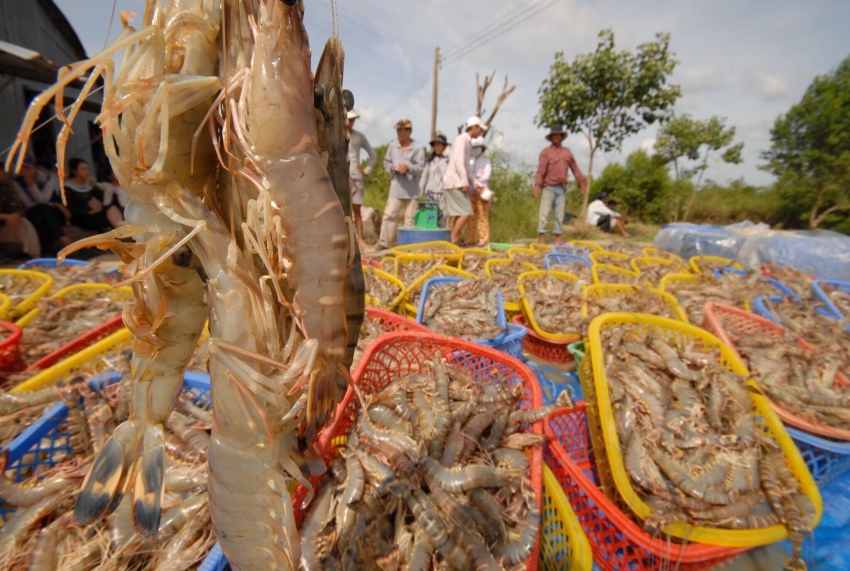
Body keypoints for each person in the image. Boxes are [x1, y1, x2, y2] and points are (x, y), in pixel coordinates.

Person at [375, 118, 425, 251]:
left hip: (412, 189)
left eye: (401, 130)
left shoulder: (418, 148)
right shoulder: (393, 146)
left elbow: (420, 167)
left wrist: (408, 167)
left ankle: (407, 245)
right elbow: (386, 162)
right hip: (396, 187)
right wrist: (391, 168)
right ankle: (384, 242)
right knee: (389, 214)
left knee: (410, 218)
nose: (399, 133)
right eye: (397, 130)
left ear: (409, 131)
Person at [532, 125, 587, 245]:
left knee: (559, 214)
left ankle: (558, 237)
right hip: (548, 187)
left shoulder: (567, 153)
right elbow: (541, 170)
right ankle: (541, 237)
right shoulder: (546, 153)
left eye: (558, 135)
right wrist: (537, 185)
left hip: (561, 188)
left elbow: (575, 168)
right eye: (554, 135)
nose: (556, 137)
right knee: (544, 213)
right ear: (551, 137)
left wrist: (581, 182)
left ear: (561, 137)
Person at [11, 155, 71, 256]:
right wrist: (30, 184)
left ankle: (50, 249)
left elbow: (44, 199)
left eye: (27, 167)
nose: (24, 171)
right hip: (34, 212)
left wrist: (31, 184)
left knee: (42, 212)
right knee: (39, 216)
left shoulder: (49, 178)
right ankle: (61, 238)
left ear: (35, 167)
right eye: (21, 168)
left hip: (54, 213)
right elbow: (29, 203)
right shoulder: (17, 182)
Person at [443, 116, 486, 246]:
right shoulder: (462, 139)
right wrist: (465, 182)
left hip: (456, 181)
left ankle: (455, 238)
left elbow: (466, 168)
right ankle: (453, 238)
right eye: (480, 129)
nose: (480, 132)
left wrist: (476, 183)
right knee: (466, 211)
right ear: (474, 127)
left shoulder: (467, 142)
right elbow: (458, 162)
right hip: (455, 181)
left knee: (460, 212)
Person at [63, 159, 126, 231]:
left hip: (95, 211)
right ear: (74, 171)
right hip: (81, 216)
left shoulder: (89, 183)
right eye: (83, 169)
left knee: (111, 208)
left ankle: (123, 230)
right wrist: (89, 212)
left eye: (87, 169)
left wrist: (95, 187)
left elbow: (102, 198)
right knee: (101, 220)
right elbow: (68, 207)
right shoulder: (68, 187)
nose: (87, 171)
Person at [347, 110, 377, 247]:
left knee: (357, 211)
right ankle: (347, 241)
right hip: (341, 176)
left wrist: (366, 170)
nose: (350, 122)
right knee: (340, 210)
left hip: (356, 177)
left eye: (353, 120)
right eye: (349, 119)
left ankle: (360, 240)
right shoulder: (335, 133)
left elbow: (373, 155)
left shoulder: (359, 136)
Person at [0, 170, 40, 259]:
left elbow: (17, 206)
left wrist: (15, 215)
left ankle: (35, 260)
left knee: (24, 223)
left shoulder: (4, 186)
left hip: (3, 226)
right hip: (3, 219)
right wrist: (4, 216)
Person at [464, 136, 492, 247]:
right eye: (473, 147)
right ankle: (470, 238)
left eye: (477, 147)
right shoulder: (469, 161)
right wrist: (474, 180)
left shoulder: (486, 161)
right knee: (470, 216)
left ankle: (483, 239)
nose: (475, 149)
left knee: (482, 216)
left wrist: (475, 181)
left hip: (482, 192)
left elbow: (486, 176)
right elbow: (467, 174)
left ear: (482, 148)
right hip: (471, 192)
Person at [418, 132, 450, 228]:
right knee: (430, 217)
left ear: (444, 146)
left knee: (442, 217)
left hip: (443, 194)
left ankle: (440, 236)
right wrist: (420, 193)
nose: (437, 147)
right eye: (435, 145)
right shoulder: (430, 161)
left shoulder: (448, 161)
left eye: (439, 145)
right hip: (430, 193)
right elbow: (424, 177)